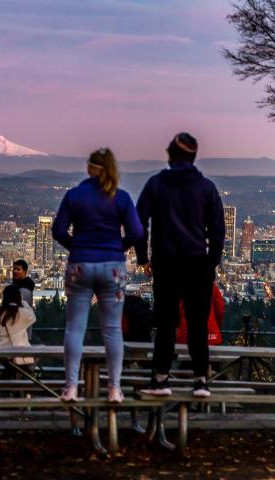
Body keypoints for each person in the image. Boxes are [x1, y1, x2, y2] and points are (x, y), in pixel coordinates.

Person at [135, 133, 225, 398]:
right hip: (198, 264)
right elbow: (218, 231)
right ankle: (200, 381)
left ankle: (161, 379)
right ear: (194, 157)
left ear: (171, 155)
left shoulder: (156, 184)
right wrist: (212, 263)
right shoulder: (206, 188)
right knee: (197, 323)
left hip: (166, 263)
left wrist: (143, 258)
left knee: (166, 323)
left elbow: (139, 225)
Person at [52, 148, 143, 403]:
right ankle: (114, 388)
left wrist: (77, 247)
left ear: (90, 168)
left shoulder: (75, 195)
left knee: (75, 327)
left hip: (80, 265)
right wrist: (119, 247)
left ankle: (71, 386)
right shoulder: (121, 197)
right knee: (112, 329)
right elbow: (136, 232)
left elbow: (58, 230)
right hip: (112, 267)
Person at [0, 285, 37, 371]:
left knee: (14, 370)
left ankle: (14, 376)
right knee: (37, 355)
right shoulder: (21, 313)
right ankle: (27, 378)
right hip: (18, 352)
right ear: (18, 297)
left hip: (2, 352)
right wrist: (23, 302)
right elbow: (33, 318)